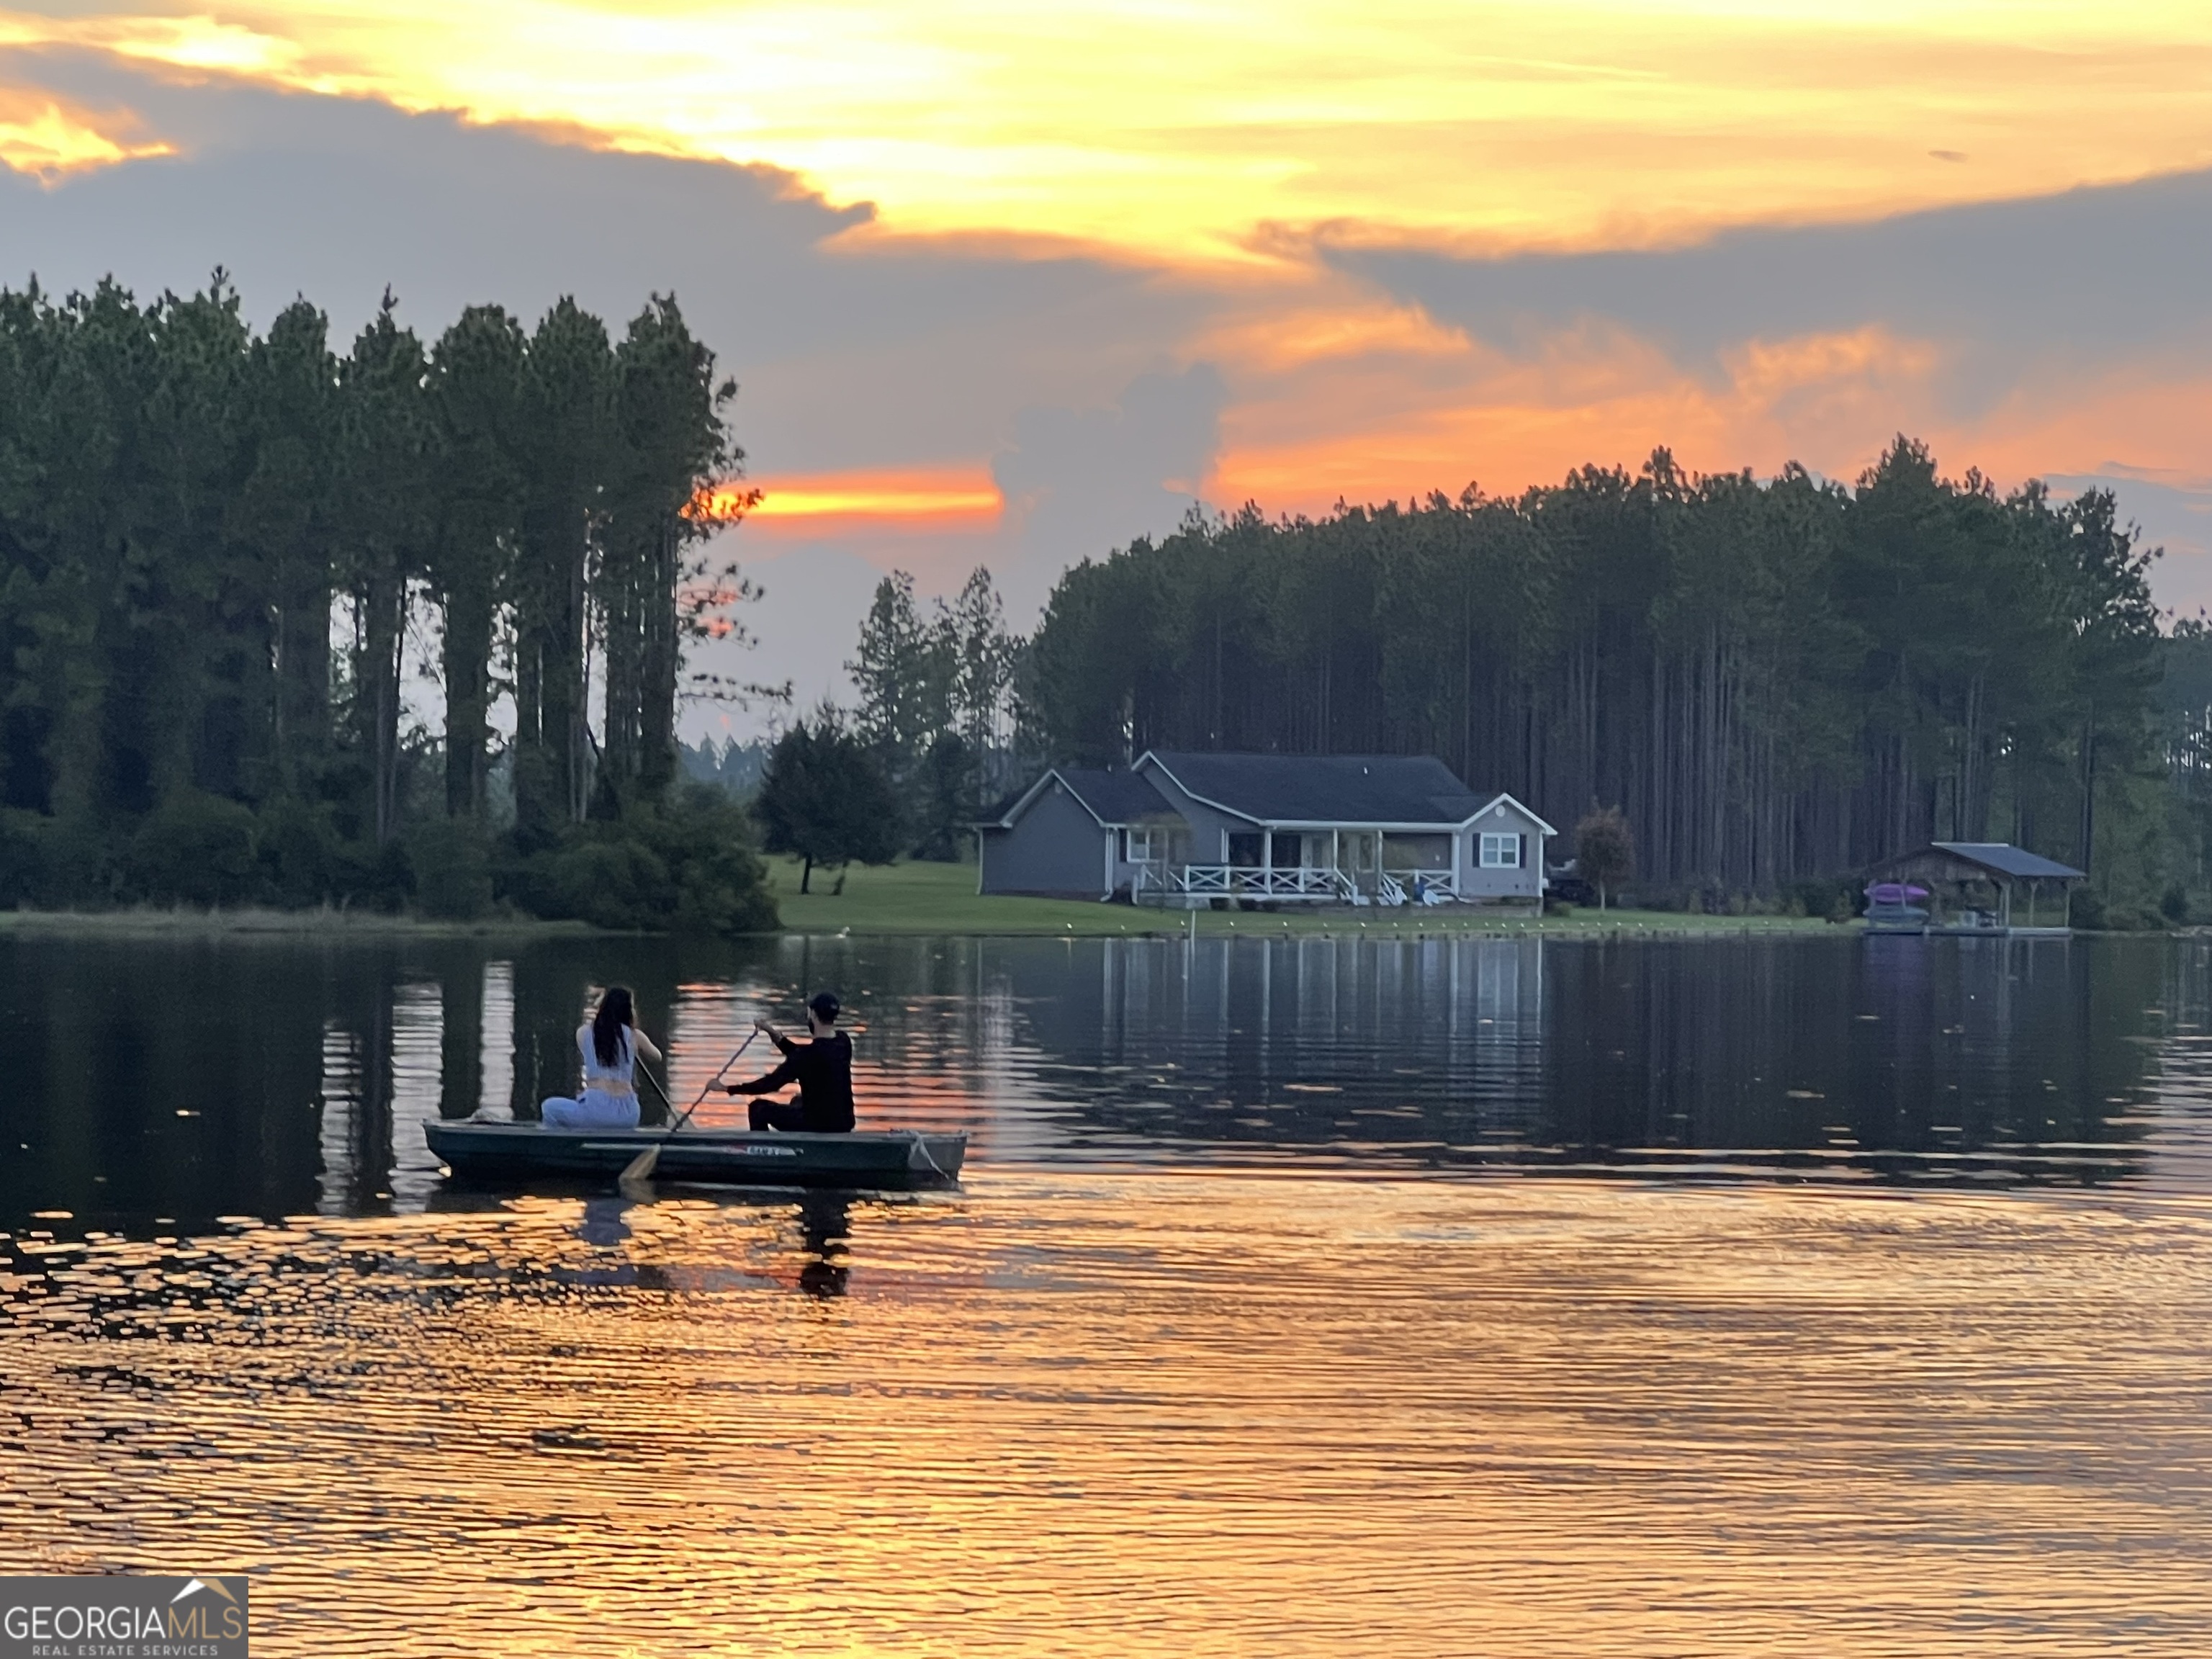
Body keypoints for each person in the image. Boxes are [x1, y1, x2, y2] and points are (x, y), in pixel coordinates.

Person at [725, 991, 855, 1133]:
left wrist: (728, 1089)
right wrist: (774, 1034)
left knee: (758, 1108)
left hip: (816, 1124)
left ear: (812, 1014)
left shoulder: (805, 1056)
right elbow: (806, 1057)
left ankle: (764, 1147)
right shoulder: (844, 1042)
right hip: (844, 1123)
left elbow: (770, 1084)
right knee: (797, 1101)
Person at [541, 985, 662, 1130]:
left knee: (549, 1107)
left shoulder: (583, 1033)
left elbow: (591, 1048)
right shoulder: (635, 1036)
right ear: (629, 1011)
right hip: (629, 1115)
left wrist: (599, 1005)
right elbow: (657, 1057)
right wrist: (633, 1048)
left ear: (603, 1006)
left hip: (597, 1112)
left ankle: (566, 1141)